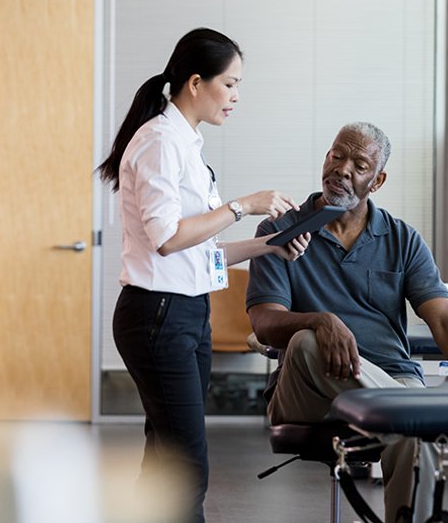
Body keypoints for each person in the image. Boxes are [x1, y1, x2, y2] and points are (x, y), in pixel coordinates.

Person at [97, 27, 309, 523]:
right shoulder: (158, 143)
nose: (236, 96)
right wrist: (244, 205)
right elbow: (166, 238)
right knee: (187, 467)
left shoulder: (185, 144)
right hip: (158, 315)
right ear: (196, 83)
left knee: (166, 461)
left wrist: (269, 247)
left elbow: (198, 252)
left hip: (186, 313)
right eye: (230, 84)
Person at [246, 121, 448, 523]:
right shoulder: (280, 229)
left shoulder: (403, 239)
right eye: (337, 155)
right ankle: (412, 411)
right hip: (308, 393)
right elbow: (264, 321)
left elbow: (444, 318)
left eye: (359, 163)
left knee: (411, 436)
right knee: (307, 341)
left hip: (393, 379)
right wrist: (321, 320)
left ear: (377, 180)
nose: (343, 168)